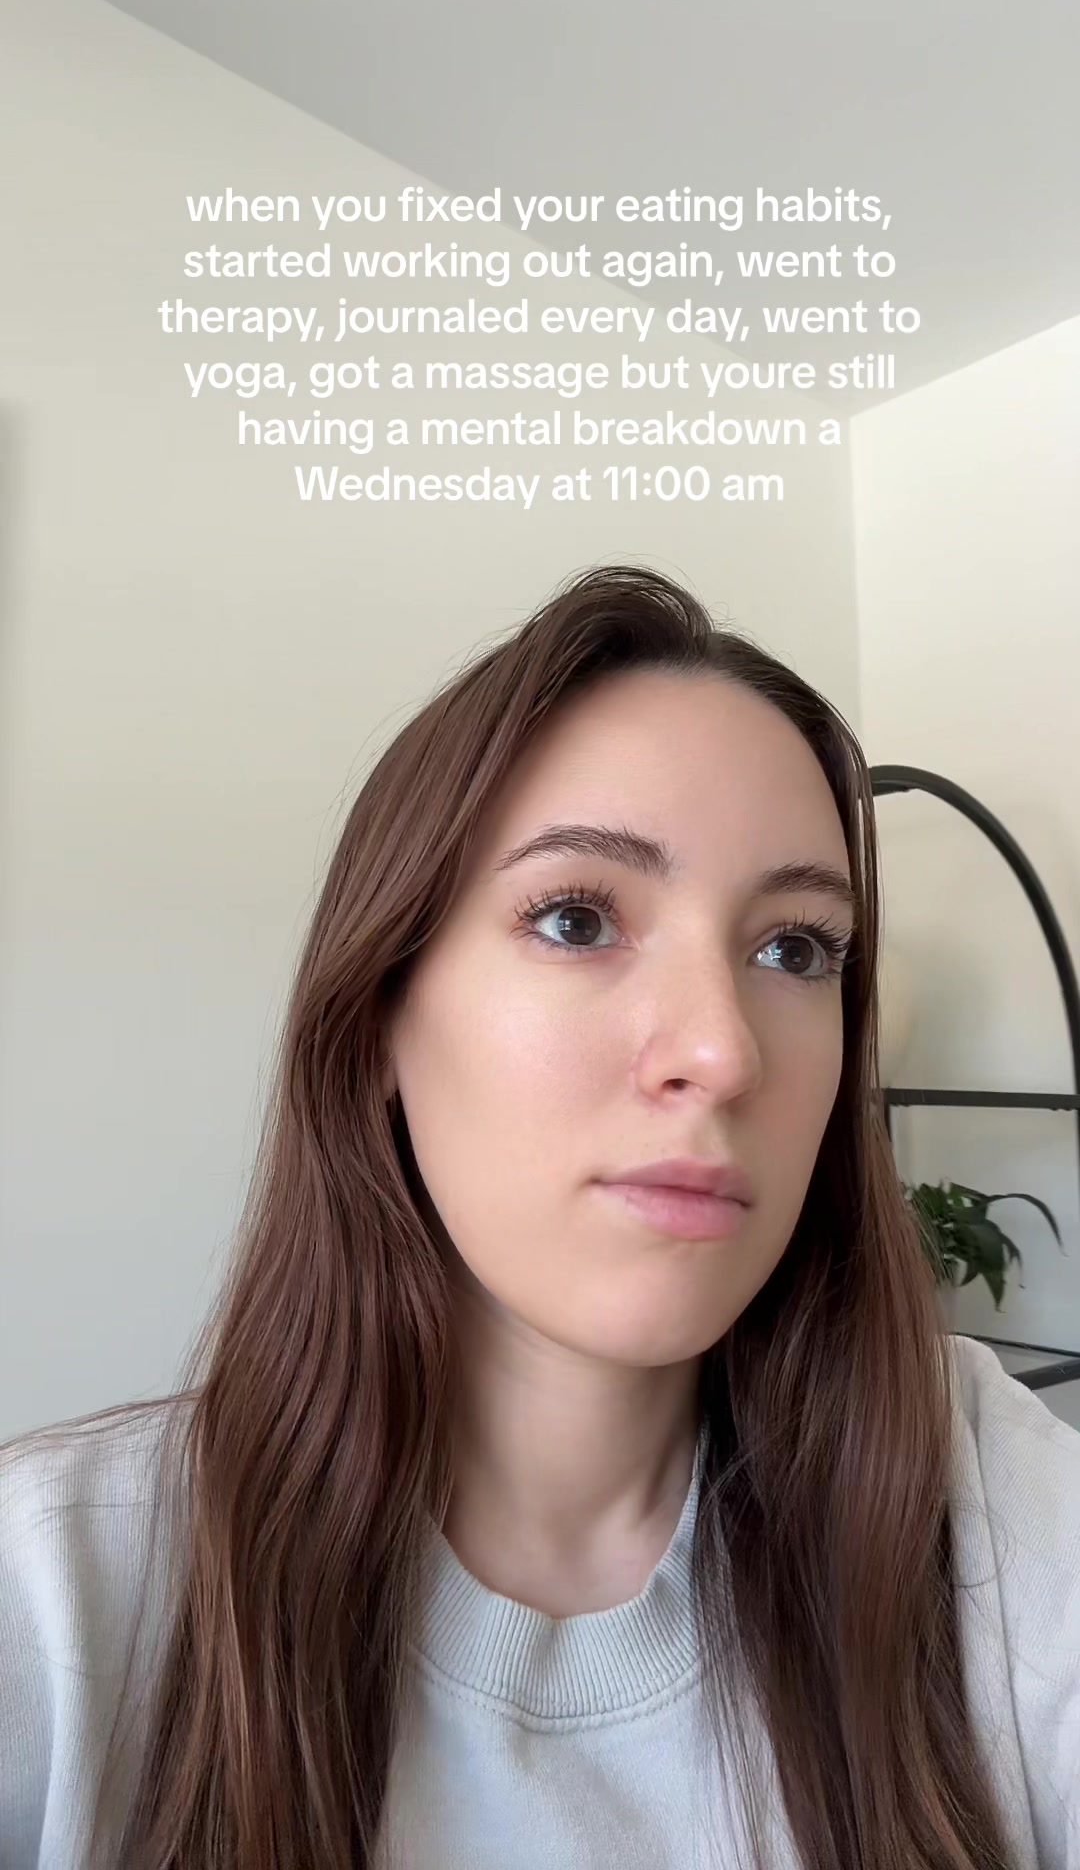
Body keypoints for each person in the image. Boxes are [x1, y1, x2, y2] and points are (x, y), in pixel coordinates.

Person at [1, 563, 1077, 1870]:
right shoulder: (56, 1596)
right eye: (576, 919)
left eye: (795, 948)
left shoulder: (985, 1499)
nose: (723, 1052)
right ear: (380, 1020)